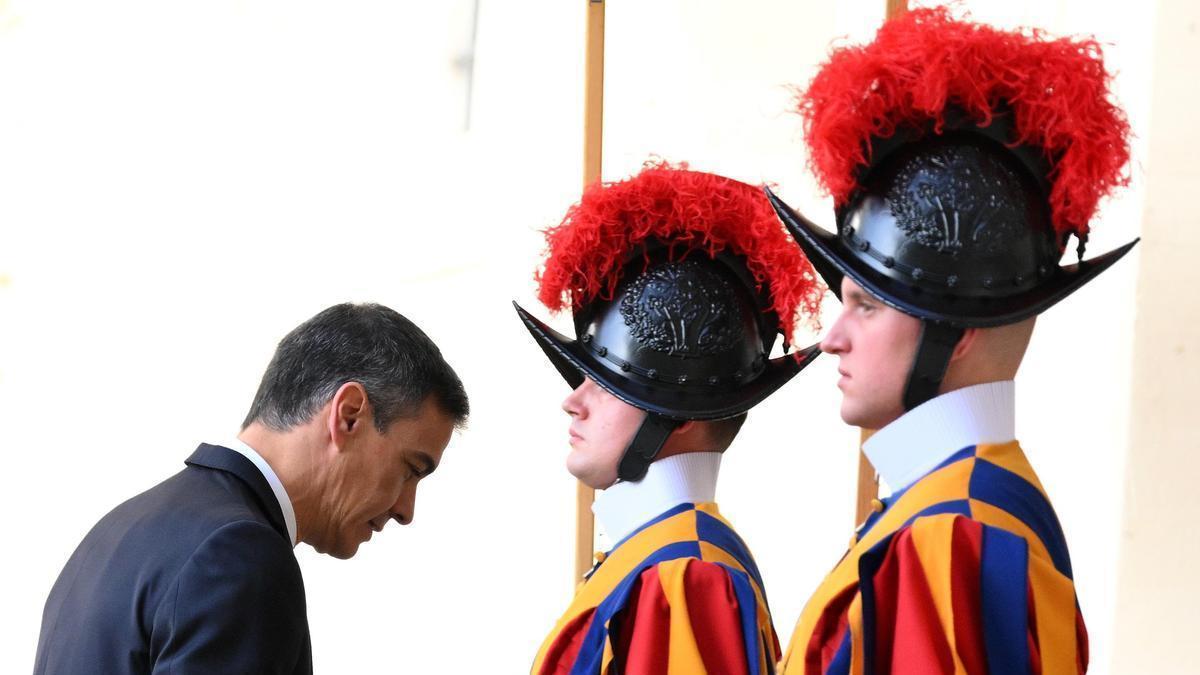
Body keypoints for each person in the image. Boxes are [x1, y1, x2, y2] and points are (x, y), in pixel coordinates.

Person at [765, 8, 1137, 674]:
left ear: (957, 330)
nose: (833, 338)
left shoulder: (946, 529)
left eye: (868, 307)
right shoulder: (971, 500)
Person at [33, 302, 468, 674]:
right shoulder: (240, 557)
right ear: (349, 415)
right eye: (411, 469)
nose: (407, 510)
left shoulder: (118, 531)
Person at [515, 163, 824, 674]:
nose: (574, 400)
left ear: (677, 413)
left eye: (609, 384)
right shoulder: (663, 557)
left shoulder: (682, 573)